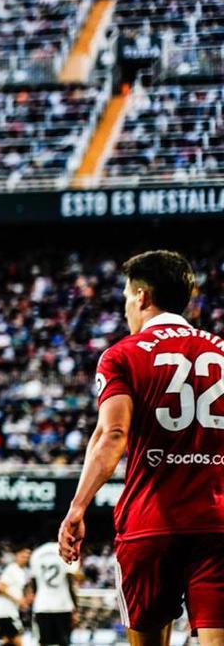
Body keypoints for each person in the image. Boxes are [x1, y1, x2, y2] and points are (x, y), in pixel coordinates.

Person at [59, 250, 224, 646]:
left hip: (151, 526)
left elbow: (113, 435)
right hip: (217, 524)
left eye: (126, 298)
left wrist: (78, 507)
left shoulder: (122, 355)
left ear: (143, 297)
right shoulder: (221, 351)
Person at [30, 539, 79, 646]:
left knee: (44, 642)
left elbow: (34, 584)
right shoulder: (67, 551)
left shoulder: (37, 553)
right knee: (64, 642)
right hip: (63, 605)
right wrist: (75, 607)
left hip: (42, 605)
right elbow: (70, 583)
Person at [0, 548, 30, 646]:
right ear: (16, 556)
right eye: (23, 556)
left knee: (7, 642)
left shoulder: (22, 572)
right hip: (6, 613)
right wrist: (17, 600)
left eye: (27, 557)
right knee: (19, 642)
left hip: (6, 612)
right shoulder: (12, 569)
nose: (25, 559)